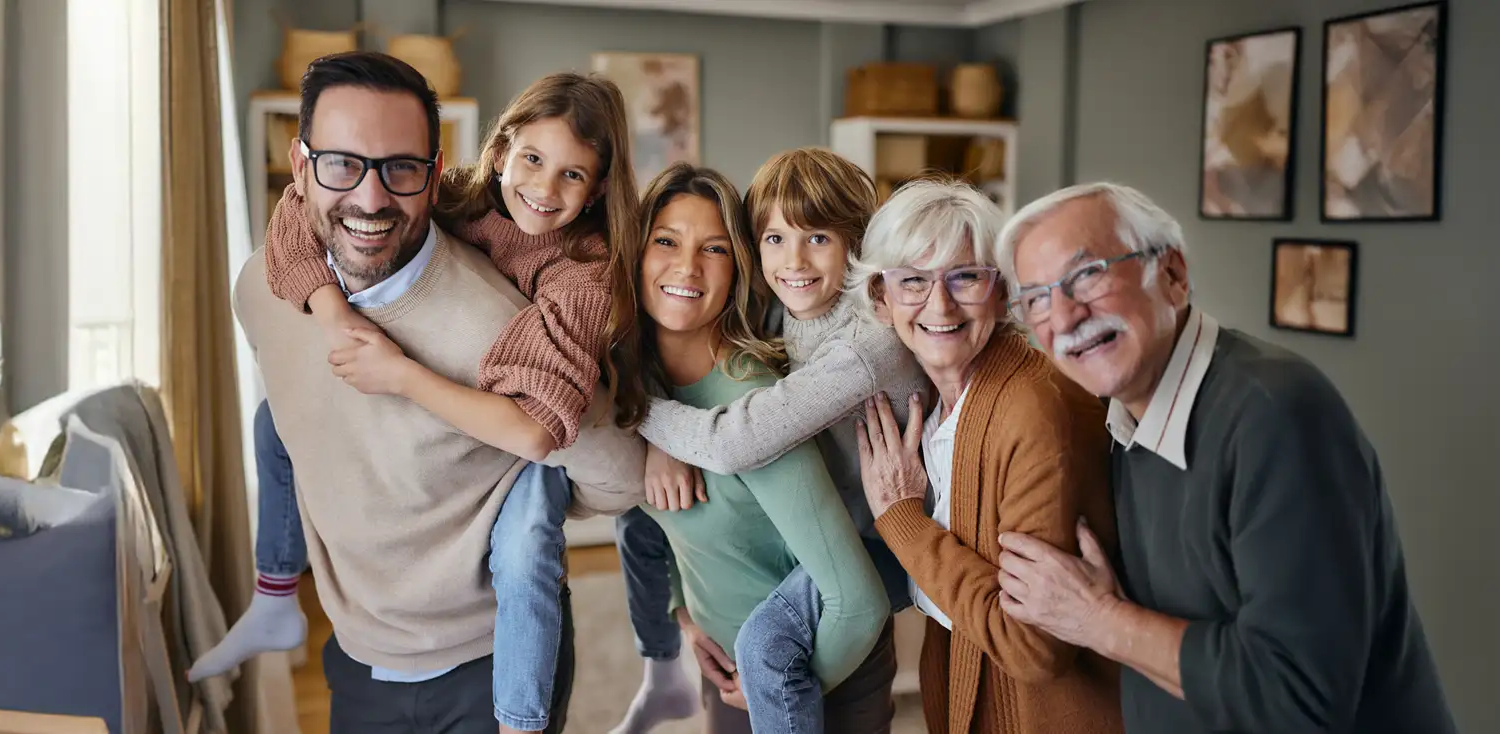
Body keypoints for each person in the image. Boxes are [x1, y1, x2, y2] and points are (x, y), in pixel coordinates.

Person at [202, 67, 645, 733]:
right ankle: (274, 593)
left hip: (533, 442)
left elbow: (540, 434)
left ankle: (524, 716)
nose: (543, 188)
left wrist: (405, 375)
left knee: (527, 542)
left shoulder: (570, 280)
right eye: (341, 165)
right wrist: (331, 312)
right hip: (358, 650)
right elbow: (298, 218)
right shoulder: (461, 202)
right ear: (497, 152)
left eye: (572, 175)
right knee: (274, 422)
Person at [988, 182, 1457, 733]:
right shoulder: (1116, 418)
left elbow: (1295, 698)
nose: (1064, 317)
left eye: (1087, 275)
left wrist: (1099, 619)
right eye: (1037, 297)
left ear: (1173, 275)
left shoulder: (1276, 416)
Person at [621, 147, 927, 734]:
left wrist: (640, 416)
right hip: (726, 650)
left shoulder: (864, 345)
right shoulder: (775, 316)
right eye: (775, 239)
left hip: (874, 553)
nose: (794, 261)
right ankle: (663, 672)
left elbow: (740, 438)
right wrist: (685, 616)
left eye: (712, 248)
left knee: (771, 648)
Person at [842, 180, 1123, 733]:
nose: (939, 304)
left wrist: (902, 519)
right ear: (881, 298)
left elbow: (1032, 648)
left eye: (965, 276)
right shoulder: (926, 399)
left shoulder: (1032, 413)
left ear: (1001, 292)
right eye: (913, 281)